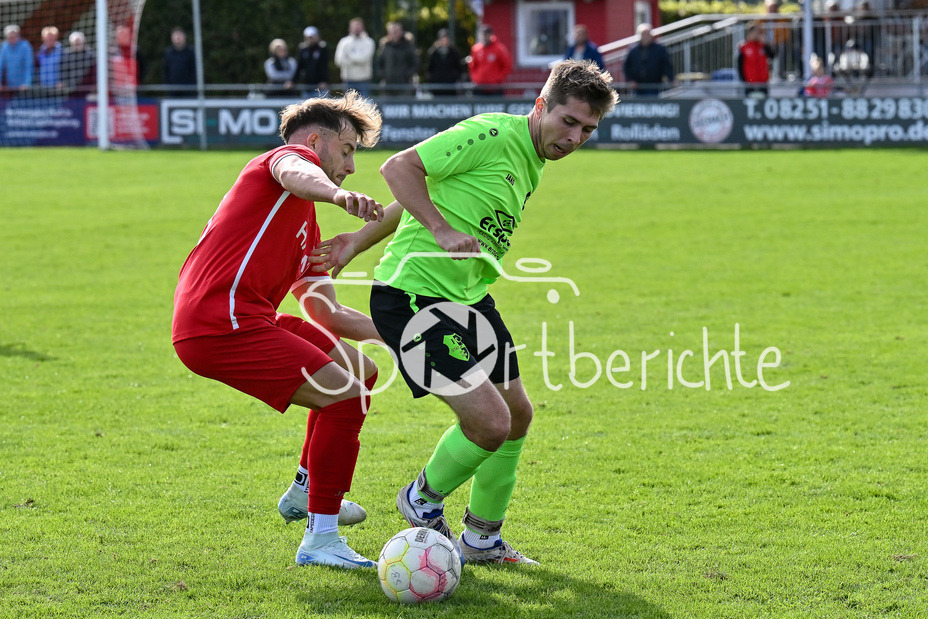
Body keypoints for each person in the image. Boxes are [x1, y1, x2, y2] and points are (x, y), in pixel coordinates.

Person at [312, 60, 620, 566]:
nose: (575, 137)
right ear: (541, 106)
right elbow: (399, 168)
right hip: (412, 298)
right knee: (491, 423)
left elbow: (420, 194)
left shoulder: (534, 159)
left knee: (518, 414)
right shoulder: (492, 133)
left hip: (468, 298)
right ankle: (422, 499)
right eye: (568, 121)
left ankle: (481, 538)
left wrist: (357, 243)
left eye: (587, 129)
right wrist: (439, 231)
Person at [172, 94, 395, 570]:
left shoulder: (305, 225)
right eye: (349, 149)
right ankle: (322, 538)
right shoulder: (281, 163)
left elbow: (328, 314)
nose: (352, 167)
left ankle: (305, 490)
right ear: (316, 142)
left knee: (361, 370)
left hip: (248, 319)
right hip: (218, 323)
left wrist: (403, 333)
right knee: (345, 397)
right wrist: (335, 194)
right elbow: (299, 172)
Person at [623, 23, 674, 96]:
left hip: (654, 85)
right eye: (644, 34)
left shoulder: (659, 49)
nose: (646, 36)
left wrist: (671, 79)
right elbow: (626, 66)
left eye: (648, 34)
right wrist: (631, 80)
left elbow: (666, 65)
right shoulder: (633, 50)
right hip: (638, 87)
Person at [334, 17, 375, 98]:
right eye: (354, 26)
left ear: (362, 27)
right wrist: (357, 59)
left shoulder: (369, 42)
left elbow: (365, 59)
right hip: (348, 81)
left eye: (358, 26)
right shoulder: (344, 42)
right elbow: (339, 61)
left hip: (364, 80)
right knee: (348, 107)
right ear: (350, 28)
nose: (356, 29)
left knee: (365, 106)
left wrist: (349, 57)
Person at [375, 21, 419, 97]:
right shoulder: (384, 47)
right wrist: (384, 76)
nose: (394, 33)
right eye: (392, 31)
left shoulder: (408, 46)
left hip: (405, 86)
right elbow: (379, 64)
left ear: (401, 32)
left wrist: (407, 75)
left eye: (396, 31)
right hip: (388, 87)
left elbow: (415, 64)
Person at [467, 25, 512, 97]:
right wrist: (475, 79)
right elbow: (472, 66)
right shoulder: (476, 49)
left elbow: (507, 66)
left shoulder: (499, 49)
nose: (484, 37)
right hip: (479, 88)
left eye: (486, 34)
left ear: (491, 35)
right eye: (482, 34)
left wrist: (497, 79)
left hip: (495, 88)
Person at [736, 22, 774, 97]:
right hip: (750, 82)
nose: (758, 34)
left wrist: (766, 44)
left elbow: (772, 56)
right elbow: (740, 65)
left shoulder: (762, 46)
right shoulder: (743, 47)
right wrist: (744, 80)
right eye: (756, 32)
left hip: (763, 81)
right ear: (750, 33)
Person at [426, 28, 464, 97]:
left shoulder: (454, 52)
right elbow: (429, 69)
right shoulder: (433, 53)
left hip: (451, 87)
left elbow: (459, 68)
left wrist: (454, 78)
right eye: (443, 39)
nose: (445, 41)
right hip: (437, 87)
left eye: (446, 38)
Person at [58, 30, 95, 95]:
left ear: (83, 42)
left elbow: (94, 72)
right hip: (71, 91)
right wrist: (62, 82)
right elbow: (63, 71)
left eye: (79, 42)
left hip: (87, 90)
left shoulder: (91, 55)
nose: (77, 44)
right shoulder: (66, 55)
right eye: (75, 43)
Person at [296, 26, 330, 97]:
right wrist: (293, 81)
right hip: (307, 86)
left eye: (312, 37)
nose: (311, 39)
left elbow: (324, 66)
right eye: (309, 37)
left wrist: (324, 80)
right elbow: (299, 66)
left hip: (320, 86)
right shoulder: (302, 50)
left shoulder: (322, 49)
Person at [163, 27, 196, 97]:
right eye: (175, 36)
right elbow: (166, 70)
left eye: (180, 35)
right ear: (172, 38)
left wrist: (192, 85)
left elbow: (194, 70)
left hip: (188, 91)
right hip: (172, 90)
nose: (178, 38)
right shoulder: (169, 53)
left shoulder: (191, 52)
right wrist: (168, 86)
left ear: (184, 37)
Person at [0, 24, 33, 92]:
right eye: (10, 35)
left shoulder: (25, 46)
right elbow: (1, 66)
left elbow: (28, 67)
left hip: (23, 88)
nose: (12, 37)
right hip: (9, 87)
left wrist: (26, 83)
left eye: (14, 34)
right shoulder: (4, 47)